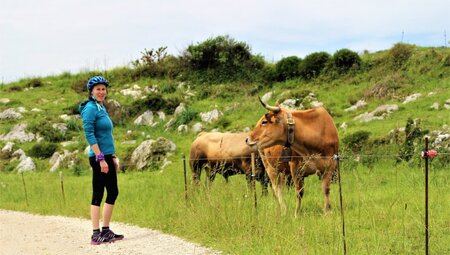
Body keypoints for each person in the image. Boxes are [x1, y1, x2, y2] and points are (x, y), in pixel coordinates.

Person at [79, 75, 124, 245]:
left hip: (106, 156)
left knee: (113, 191)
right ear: (91, 92)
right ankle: (95, 233)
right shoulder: (90, 108)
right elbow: (89, 134)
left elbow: (106, 135)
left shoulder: (101, 107)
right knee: (98, 193)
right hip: (98, 157)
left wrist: (112, 156)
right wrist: (101, 159)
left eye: (103, 89)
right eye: (97, 89)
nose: (101, 91)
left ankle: (105, 230)